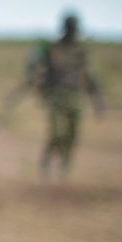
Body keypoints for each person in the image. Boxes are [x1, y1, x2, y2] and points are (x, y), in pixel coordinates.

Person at [34, 12, 104, 180]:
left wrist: (97, 100)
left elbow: (88, 76)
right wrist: (42, 92)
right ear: (64, 28)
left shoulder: (80, 51)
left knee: (72, 135)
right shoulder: (53, 49)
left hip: (76, 97)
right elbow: (39, 72)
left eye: (74, 28)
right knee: (56, 133)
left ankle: (64, 166)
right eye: (70, 28)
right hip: (57, 97)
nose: (72, 31)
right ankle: (46, 161)